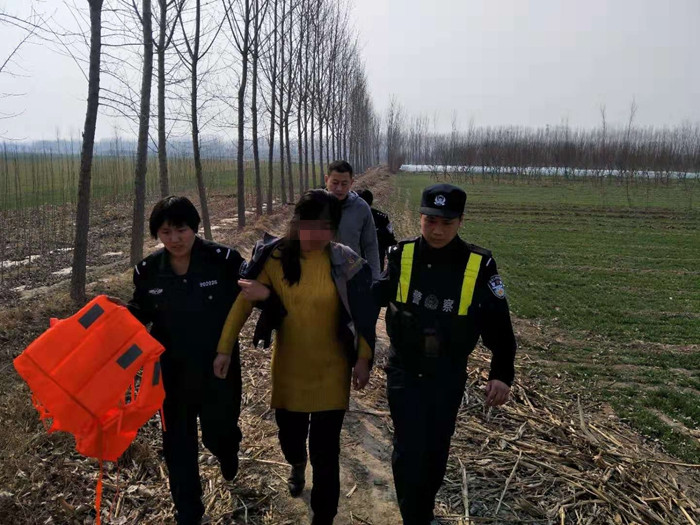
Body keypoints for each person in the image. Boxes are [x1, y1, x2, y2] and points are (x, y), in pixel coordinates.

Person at [215, 189, 377, 525]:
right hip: (289, 370)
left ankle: (324, 516)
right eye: (308, 226)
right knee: (290, 438)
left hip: (332, 370)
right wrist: (224, 348)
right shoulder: (274, 258)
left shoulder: (345, 263)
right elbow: (243, 303)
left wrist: (363, 358)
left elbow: (362, 316)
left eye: (325, 228)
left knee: (326, 452)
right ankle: (296, 463)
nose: (315, 235)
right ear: (296, 223)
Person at [373, 184, 517, 525]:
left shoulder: (479, 264)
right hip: (404, 370)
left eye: (447, 223)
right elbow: (372, 297)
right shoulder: (401, 255)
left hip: (447, 374)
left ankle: (422, 509)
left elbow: (498, 322)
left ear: (460, 221)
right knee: (409, 448)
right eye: (430, 221)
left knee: (436, 449)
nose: (437, 230)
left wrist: (501, 373)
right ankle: (414, 518)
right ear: (421, 218)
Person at [126, 196, 244, 525]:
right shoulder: (148, 271)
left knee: (218, 432)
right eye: (166, 232)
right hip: (171, 373)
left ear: (194, 228)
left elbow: (246, 303)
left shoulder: (224, 261)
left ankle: (227, 450)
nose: (175, 239)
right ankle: (188, 513)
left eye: (181, 230)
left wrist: (227, 347)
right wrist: (116, 316)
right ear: (157, 234)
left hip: (218, 367)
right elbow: (140, 313)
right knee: (177, 446)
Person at [325, 160, 381, 280]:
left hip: (351, 275)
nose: (339, 188)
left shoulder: (361, 208)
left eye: (344, 184)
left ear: (351, 183)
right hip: (320, 275)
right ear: (326, 180)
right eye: (335, 183)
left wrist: (375, 278)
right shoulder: (314, 205)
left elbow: (370, 245)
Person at [357, 188, 398, 272]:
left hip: (371, 263)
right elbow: (390, 240)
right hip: (370, 264)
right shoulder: (347, 218)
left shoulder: (381, 218)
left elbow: (390, 241)